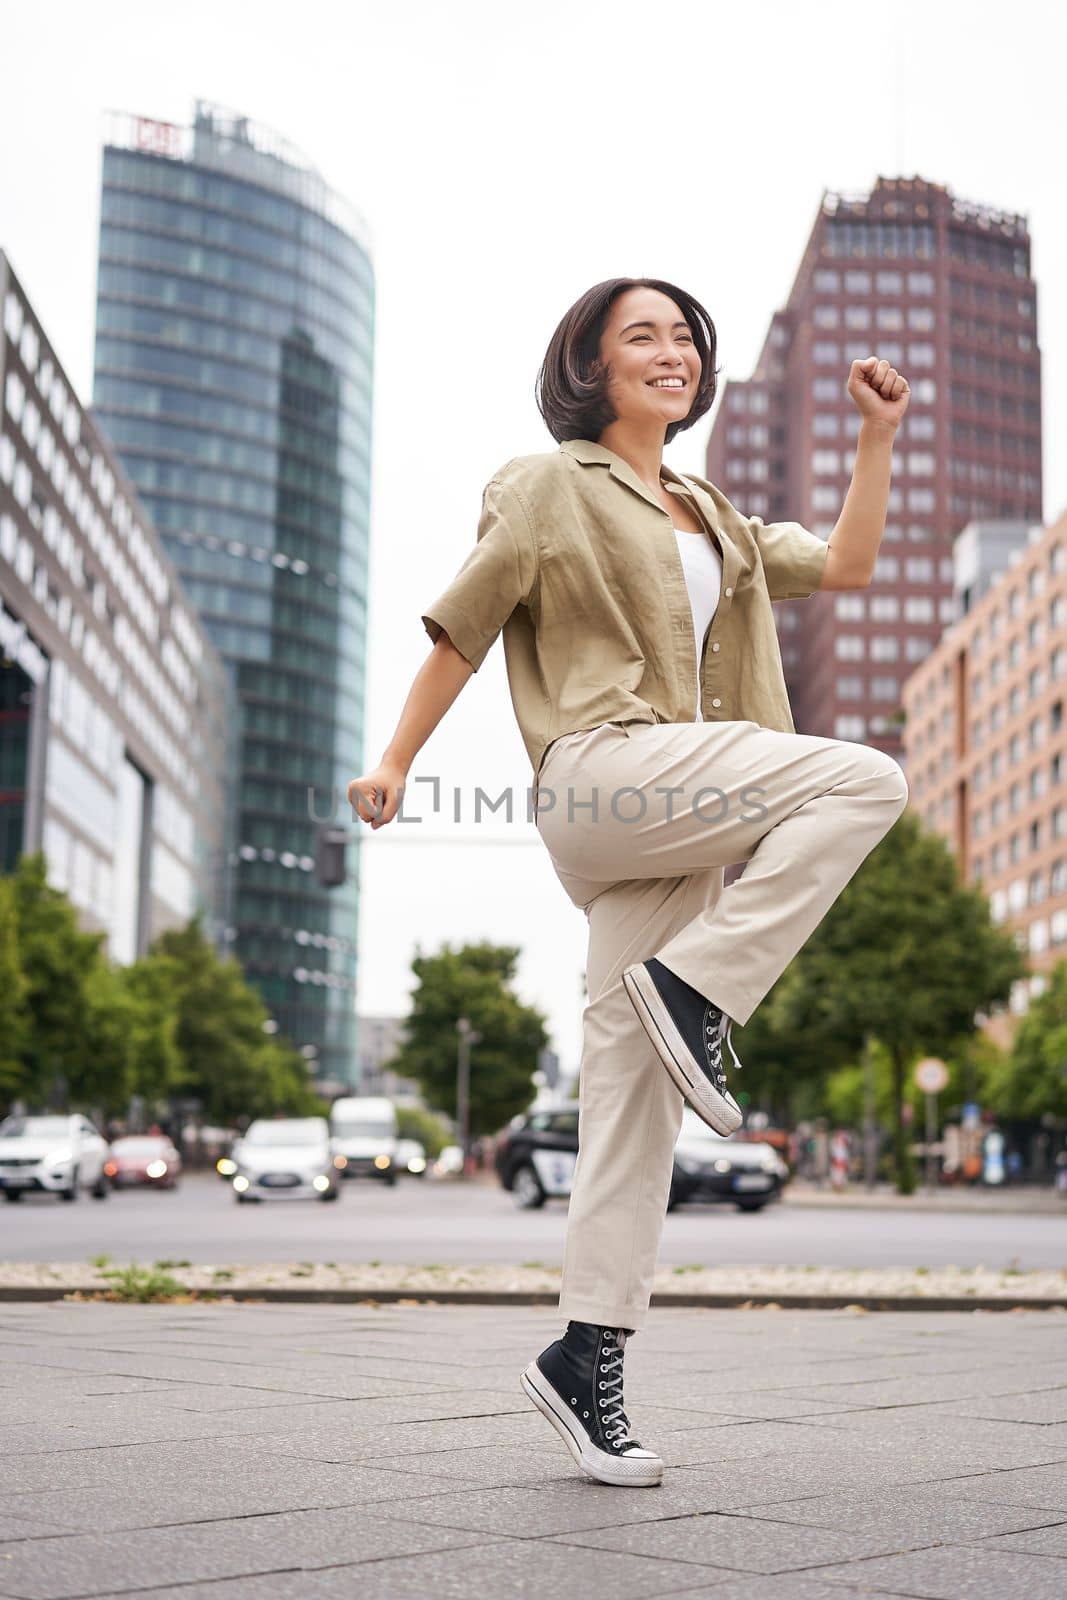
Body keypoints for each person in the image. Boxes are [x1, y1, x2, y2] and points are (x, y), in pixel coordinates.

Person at [347, 277, 910, 1488]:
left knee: (630, 1110)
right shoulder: (548, 483)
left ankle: (581, 1354)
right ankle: (699, 988)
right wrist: (394, 758)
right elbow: (464, 623)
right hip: (602, 773)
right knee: (863, 781)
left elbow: (853, 563)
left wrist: (874, 437)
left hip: (682, 827)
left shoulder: (715, 513)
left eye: (685, 338)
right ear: (592, 368)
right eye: (641, 336)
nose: (672, 352)